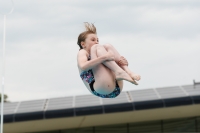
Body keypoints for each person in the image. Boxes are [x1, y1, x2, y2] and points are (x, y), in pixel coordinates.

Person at [77, 22, 141, 98]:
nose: (96, 42)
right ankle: (120, 72)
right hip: (101, 88)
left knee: (107, 45)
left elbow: (109, 62)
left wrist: (122, 63)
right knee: (97, 48)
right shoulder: (82, 52)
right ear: (83, 44)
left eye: (97, 40)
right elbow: (83, 66)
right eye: (93, 40)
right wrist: (105, 57)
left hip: (115, 85)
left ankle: (128, 71)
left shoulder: (98, 52)